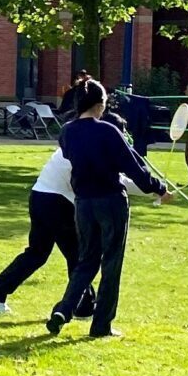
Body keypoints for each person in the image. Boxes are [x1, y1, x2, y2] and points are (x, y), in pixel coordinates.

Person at [43, 75, 171, 339]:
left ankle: (64, 310)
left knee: (85, 262)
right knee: (111, 264)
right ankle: (101, 325)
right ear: (100, 104)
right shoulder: (107, 130)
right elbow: (134, 169)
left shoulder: (67, 131)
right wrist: (158, 188)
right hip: (111, 202)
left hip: (83, 204)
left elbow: (71, 155)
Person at [0, 142, 102, 318]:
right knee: (77, 255)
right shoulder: (88, 148)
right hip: (58, 202)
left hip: (39, 195)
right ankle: (82, 306)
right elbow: (103, 183)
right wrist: (154, 188)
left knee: (38, 252)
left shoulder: (76, 138)